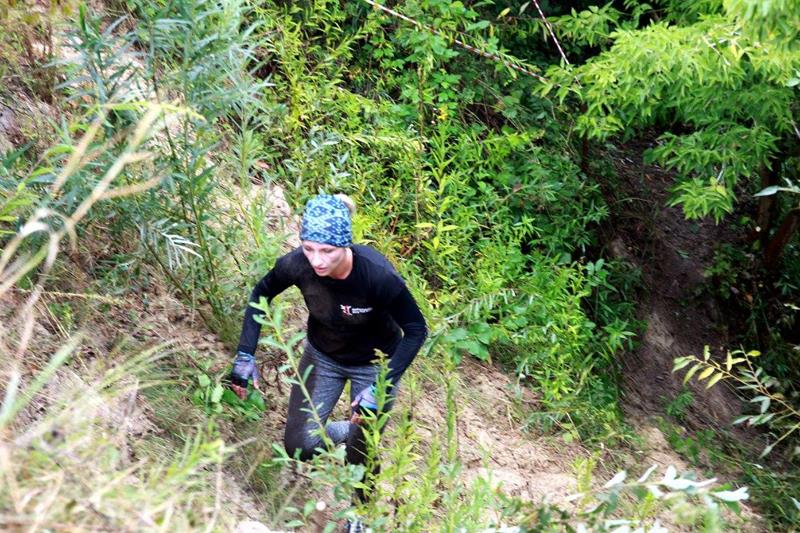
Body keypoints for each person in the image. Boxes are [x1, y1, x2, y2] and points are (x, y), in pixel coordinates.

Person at [229, 193, 427, 513]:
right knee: (299, 446)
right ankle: (346, 431)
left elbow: (416, 329)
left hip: (374, 366)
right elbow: (261, 293)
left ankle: (360, 515)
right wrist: (245, 354)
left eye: (327, 251)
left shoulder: (377, 275)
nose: (317, 260)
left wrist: (382, 386)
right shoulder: (297, 265)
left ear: (345, 244)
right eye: (309, 248)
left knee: (361, 453)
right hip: (323, 357)